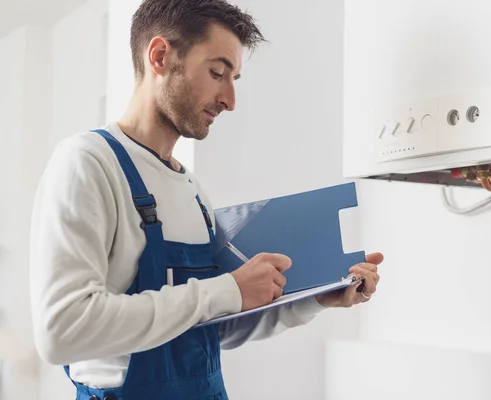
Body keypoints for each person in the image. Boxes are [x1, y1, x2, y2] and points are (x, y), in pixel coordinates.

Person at [29, 0, 383, 399]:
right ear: (160, 56)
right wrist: (227, 289)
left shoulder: (192, 191)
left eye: (233, 79)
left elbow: (208, 329)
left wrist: (314, 299)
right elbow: (62, 330)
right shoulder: (89, 162)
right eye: (217, 73)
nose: (229, 100)